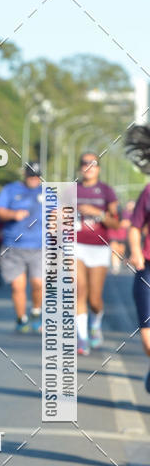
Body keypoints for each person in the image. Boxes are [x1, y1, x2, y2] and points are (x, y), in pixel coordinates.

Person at [75, 152, 119, 354]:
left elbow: (115, 222)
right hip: (75, 246)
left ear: (98, 168)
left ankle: (96, 324)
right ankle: (82, 338)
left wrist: (97, 213)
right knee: (79, 291)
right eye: (85, 163)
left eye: (93, 164)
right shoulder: (71, 190)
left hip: (99, 247)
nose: (89, 167)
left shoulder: (107, 191)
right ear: (80, 167)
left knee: (94, 298)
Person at [0, 162, 43, 332]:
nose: (34, 180)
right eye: (31, 176)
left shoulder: (47, 192)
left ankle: (36, 312)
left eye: (37, 177)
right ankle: (21, 319)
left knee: (38, 284)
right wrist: (13, 214)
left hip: (39, 247)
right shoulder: (10, 190)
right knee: (17, 286)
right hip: (13, 246)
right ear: (25, 175)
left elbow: (59, 213)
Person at [128, 187, 150, 390]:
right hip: (148, 268)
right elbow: (135, 226)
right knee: (148, 339)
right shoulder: (148, 191)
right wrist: (136, 251)